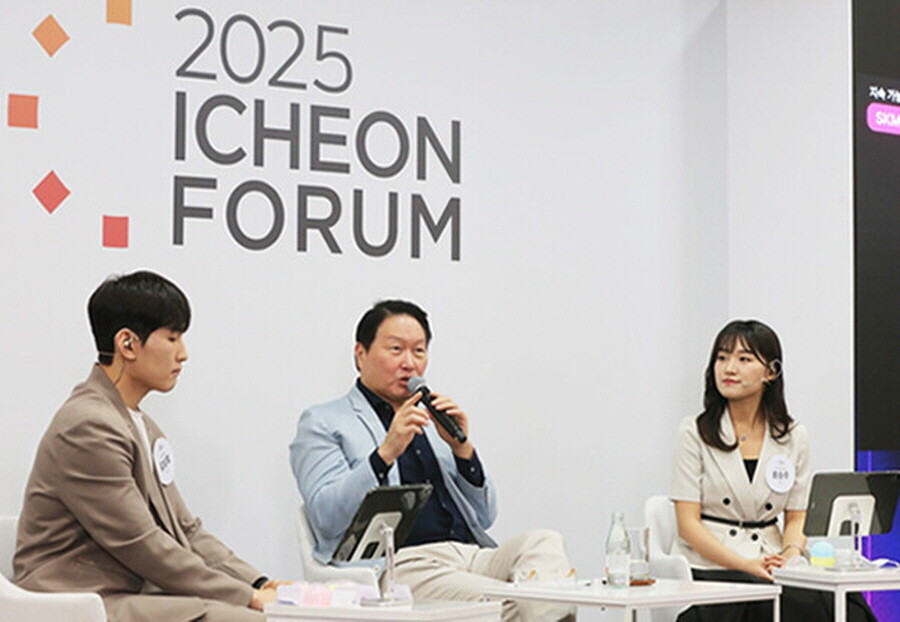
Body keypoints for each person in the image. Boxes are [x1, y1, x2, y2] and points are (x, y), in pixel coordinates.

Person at [14, 271, 282, 622]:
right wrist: (248, 598)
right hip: (77, 601)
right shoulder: (88, 427)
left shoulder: (141, 425)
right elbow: (142, 544)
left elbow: (185, 530)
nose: (183, 354)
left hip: (127, 594)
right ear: (127, 344)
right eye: (172, 338)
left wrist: (259, 582)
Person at [290, 300, 574, 622]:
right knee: (506, 605)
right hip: (400, 565)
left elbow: (484, 516)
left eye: (419, 351)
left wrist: (462, 451)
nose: (409, 364)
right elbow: (325, 515)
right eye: (396, 349)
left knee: (545, 545)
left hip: (469, 555)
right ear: (361, 354)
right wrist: (385, 454)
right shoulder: (323, 422)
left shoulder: (432, 420)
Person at [670, 319, 877, 622]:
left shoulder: (793, 435)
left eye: (744, 359)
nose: (729, 369)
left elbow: (797, 517)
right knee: (773, 602)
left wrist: (790, 556)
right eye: (722, 358)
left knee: (844, 604)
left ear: (771, 372)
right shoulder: (694, 431)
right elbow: (687, 525)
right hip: (713, 564)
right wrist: (744, 564)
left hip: (772, 557)